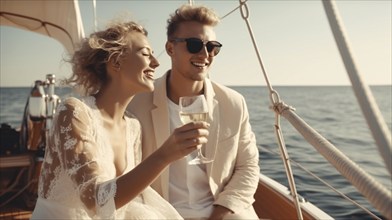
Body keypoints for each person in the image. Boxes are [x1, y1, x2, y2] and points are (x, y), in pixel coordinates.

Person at [31, 20, 209, 219]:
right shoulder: (74, 112)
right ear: (115, 62)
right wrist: (164, 155)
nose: (156, 62)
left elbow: (124, 200)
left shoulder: (133, 126)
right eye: (145, 53)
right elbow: (95, 201)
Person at [127, 4, 260, 220]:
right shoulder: (136, 103)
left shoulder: (234, 103)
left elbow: (248, 167)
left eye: (212, 46)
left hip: (220, 209)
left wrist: (220, 213)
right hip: (159, 211)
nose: (205, 54)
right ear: (170, 49)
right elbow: (126, 171)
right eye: (195, 44)